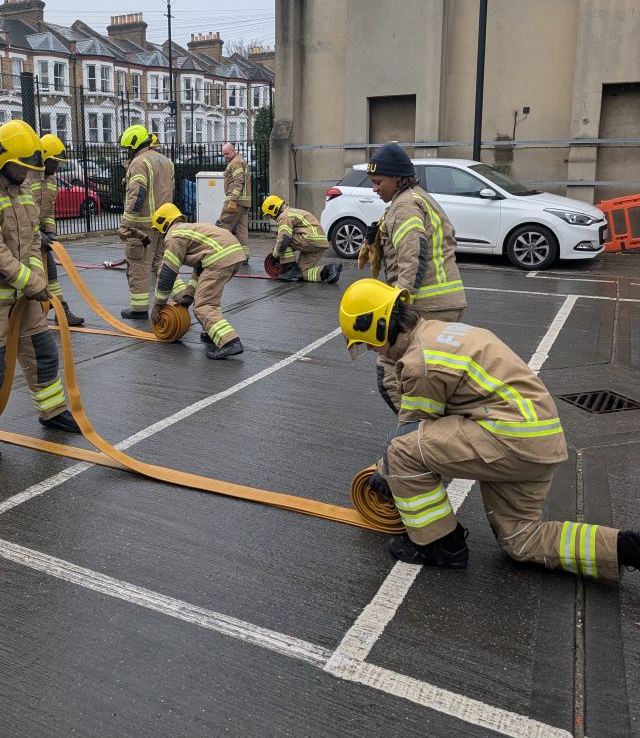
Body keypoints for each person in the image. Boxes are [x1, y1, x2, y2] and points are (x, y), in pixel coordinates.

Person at [339, 278, 640, 579]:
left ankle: (440, 544)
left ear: (379, 326)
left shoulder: (421, 362)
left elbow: (412, 431)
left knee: (399, 451)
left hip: (509, 437)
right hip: (539, 441)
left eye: (368, 343)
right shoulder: (441, 333)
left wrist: (383, 471)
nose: (374, 352)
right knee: (522, 541)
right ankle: (626, 547)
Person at [0, 120, 81, 462]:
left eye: (28, 167)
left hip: (22, 294)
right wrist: (32, 283)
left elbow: (34, 240)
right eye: (20, 166)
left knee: (43, 355)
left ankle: (52, 413)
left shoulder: (22, 192)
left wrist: (35, 276)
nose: (26, 173)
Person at [359, 141, 467, 413]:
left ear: (397, 178)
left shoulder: (405, 205)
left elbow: (413, 252)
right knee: (430, 375)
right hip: (443, 302)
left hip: (426, 306)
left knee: (389, 372)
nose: (374, 188)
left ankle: (418, 436)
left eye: (378, 181)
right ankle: (434, 432)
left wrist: (399, 303)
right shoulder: (414, 197)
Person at [150, 203, 245, 359]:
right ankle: (213, 332)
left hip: (220, 258)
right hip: (233, 254)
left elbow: (168, 273)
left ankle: (230, 342)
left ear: (163, 223)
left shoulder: (173, 236)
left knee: (203, 305)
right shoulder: (189, 229)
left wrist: (158, 305)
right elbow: (199, 268)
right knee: (210, 300)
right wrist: (188, 295)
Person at [117, 124, 174, 320]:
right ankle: (181, 295)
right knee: (161, 264)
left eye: (127, 149)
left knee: (138, 265)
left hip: (142, 225)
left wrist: (127, 223)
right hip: (163, 223)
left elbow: (138, 193)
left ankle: (139, 309)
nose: (127, 153)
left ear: (135, 144)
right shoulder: (165, 161)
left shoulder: (139, 162)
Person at [28, 133, 84, 327]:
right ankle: (33, 314)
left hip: (39, 237)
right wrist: (37, 233)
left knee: (51, 273)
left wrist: (50, 232)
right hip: (26, 239)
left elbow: (49, 210)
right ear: (45, 159)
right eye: (55, 162)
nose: (57, 166)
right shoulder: (27, 178)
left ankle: (60, 310)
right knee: (32, 277)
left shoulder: (51, 181)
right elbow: (24, 213)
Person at [261, 195, 342, 283]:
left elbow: (284, 240)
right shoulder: (290, 212)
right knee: (303, 273)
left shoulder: (284, 216)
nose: (271, 218)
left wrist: (274, 255)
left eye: (269, 215)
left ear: (273, 209)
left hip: (311, 240)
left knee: (283, 239)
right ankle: (330, 270)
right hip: (319, 243)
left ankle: (292, 269)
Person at [216, 143, 251, 263]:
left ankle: (219, 253)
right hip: (244, 201)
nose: (225, 156)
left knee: (222, 225)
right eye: (223, 154)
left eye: (227, 153)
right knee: (241, 229)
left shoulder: (235, 162)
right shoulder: (239, 160)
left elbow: (238, 182)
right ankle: (244, 256)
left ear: (233, 150)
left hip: (235, 201)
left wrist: (233, 200)